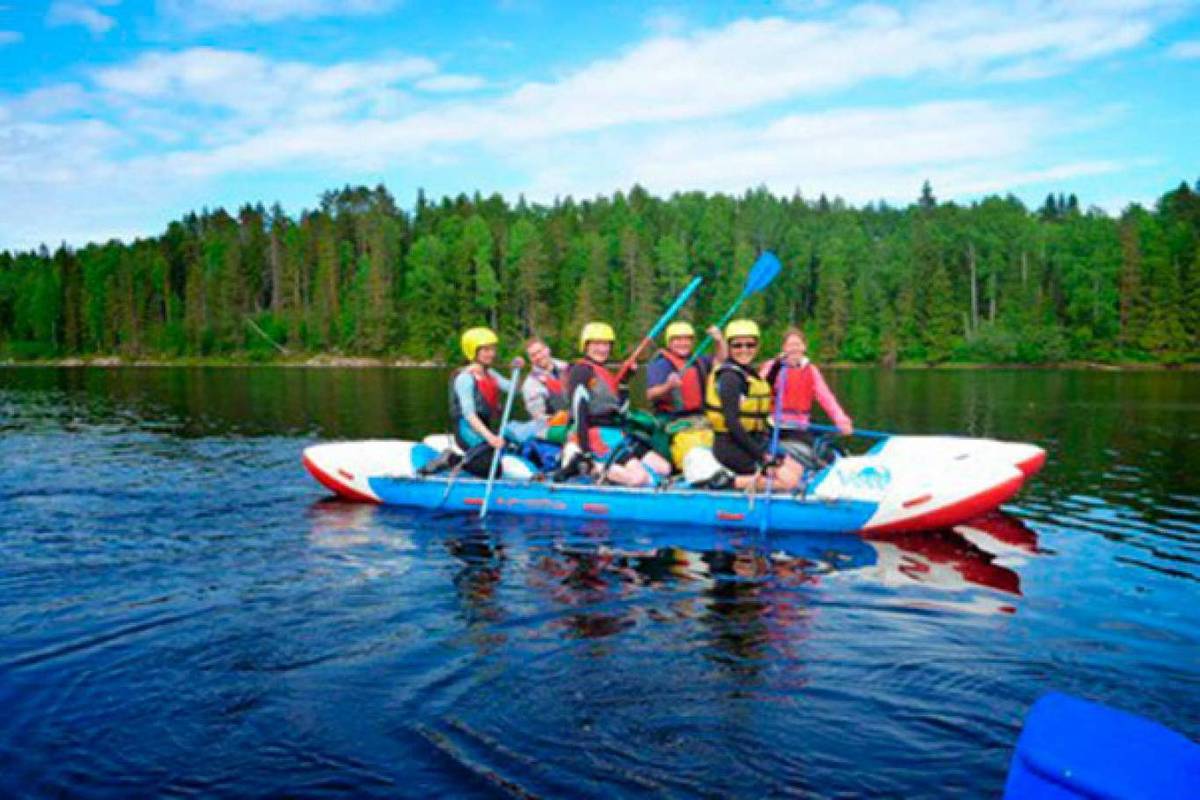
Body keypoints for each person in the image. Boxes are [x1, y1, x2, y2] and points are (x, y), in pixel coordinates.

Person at [562, 321, 671, 487]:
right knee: (638, 479)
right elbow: (580, 412)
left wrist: (627, 380)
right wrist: (585, 451)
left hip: (614, 434)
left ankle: (617, 473)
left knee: (664, 468)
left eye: (606, 344)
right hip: (594, 434)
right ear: (585, 346)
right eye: (596, 344)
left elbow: (621, 409)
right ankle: (586, 467)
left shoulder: (603, 372)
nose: (602, 349)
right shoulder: (581, 371)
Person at [703, 319, 803, 492]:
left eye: (750, 345)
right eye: (737, 345)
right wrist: (762, 457)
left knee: (797, 469)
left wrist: (777, 365)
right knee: (789, 482)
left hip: (752, 441)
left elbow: (763, 389)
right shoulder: (729, 378)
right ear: (729, 347)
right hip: (732, 447)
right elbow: (732, 423)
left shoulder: (746, 371)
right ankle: (727, 483)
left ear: (756, 346)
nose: (744, 350)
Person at [759, 328, 852, 467]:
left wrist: (841, 420)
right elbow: (758, 387)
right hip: (778, 425)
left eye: (798, 344)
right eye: (790, 345)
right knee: (819, 449)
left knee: (832, 444)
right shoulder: (773, 367)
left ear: (804, 347)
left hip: (802, 424)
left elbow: (826, 397)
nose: (794, 349)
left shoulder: (811, 370)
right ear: (784, 348)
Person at [448, 327, 524, 478]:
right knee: (492, 469)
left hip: (485, 427)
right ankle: (451, 459)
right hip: (467, 431)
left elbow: (515, 389)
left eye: (493, 349)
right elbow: (470, 416)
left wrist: (516, 370)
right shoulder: (465, 378)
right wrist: (492, 439)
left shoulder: (490, 373)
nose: (492, 354)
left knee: (518, 446)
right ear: (473, 351)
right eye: (486, 350)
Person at [521, 336, 569, 427]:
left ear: (547, 350)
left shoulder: (566, 367)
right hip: (553, 426)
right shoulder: (530, 385)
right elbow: (538, 416)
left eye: (540, 351)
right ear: (530, 359)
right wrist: (559, 419)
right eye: (533, 355)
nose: (538, 357)